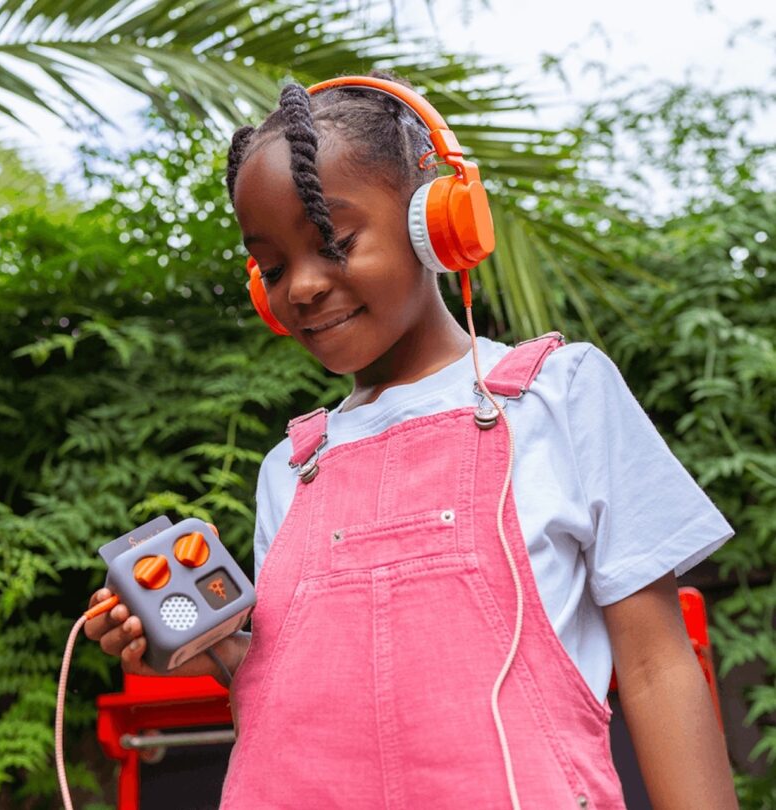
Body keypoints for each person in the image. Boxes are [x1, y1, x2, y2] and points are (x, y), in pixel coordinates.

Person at [85, 73, 739, 809]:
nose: (299, 286)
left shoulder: (561, 396)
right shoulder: (293, 468)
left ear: (437, 220)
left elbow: (656, 667)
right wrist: (217, 656)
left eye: (332, 240)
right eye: (271, 267)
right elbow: (299, 694)